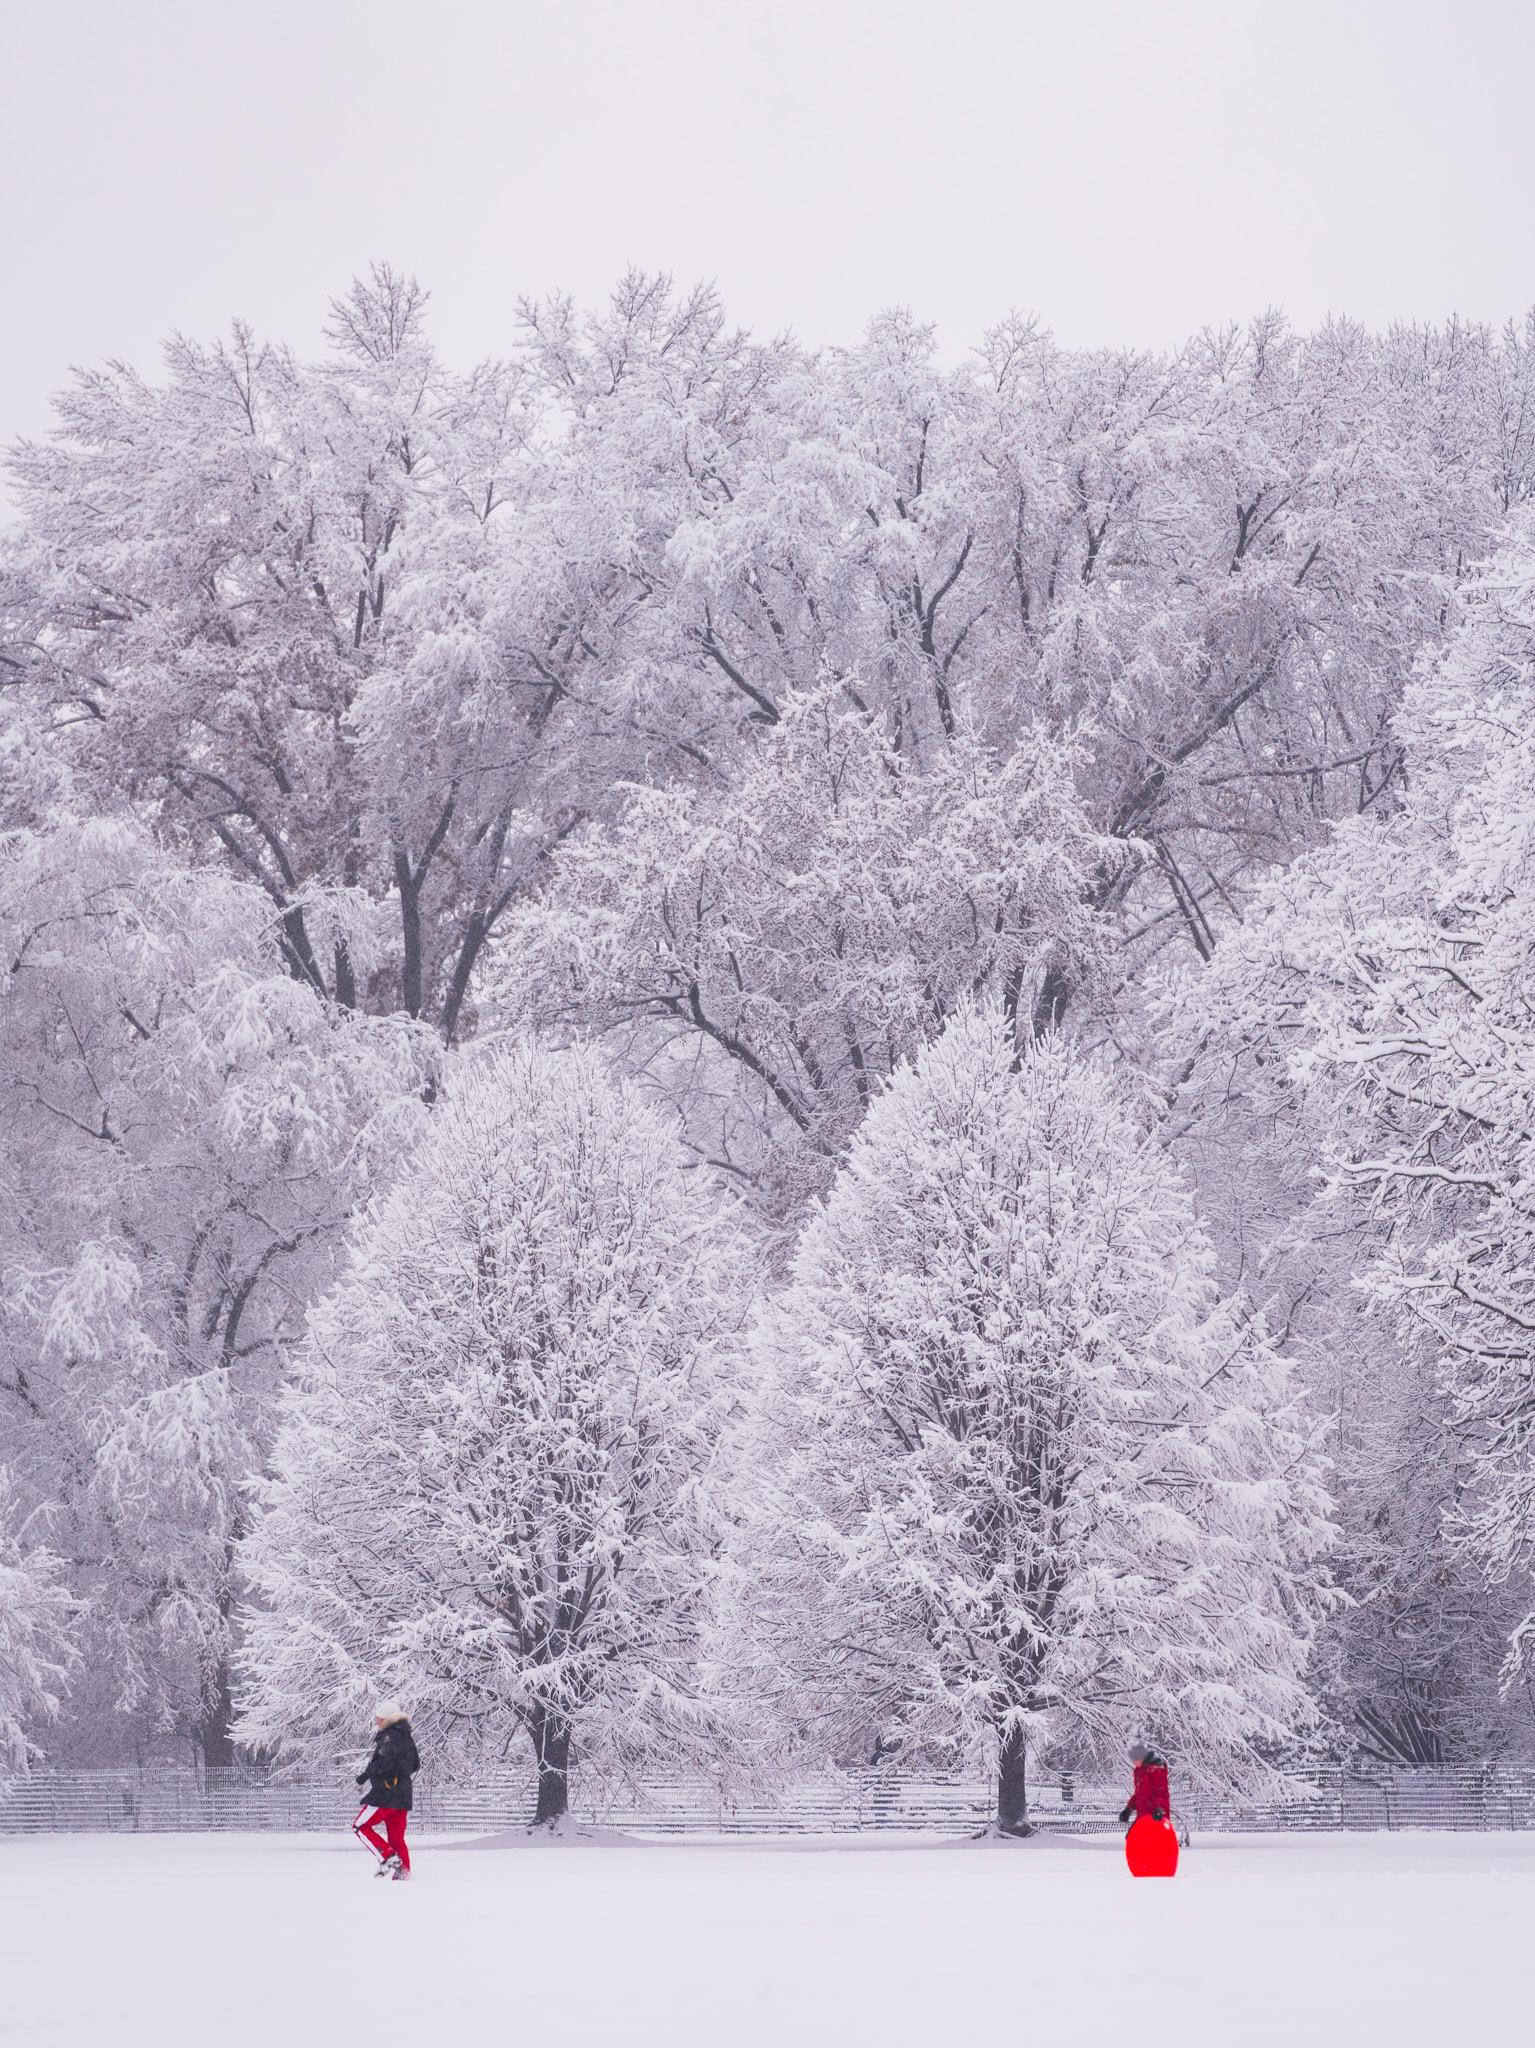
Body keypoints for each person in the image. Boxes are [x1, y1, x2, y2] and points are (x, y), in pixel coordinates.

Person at [352, 1701, 420, 1880]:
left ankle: (387, 1857)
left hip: (386, 1795)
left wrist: (370, 1772)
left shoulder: (389, 1737)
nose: (376, 1721)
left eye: (379, 1718)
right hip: (403, 1796)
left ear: (387, 1719)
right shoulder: (406, 1737)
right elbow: (415, 1764)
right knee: (396, 1839)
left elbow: (384, 1763)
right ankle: (403, 1875)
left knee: (360, 1826)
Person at [1118, 1741, 1171, 1826]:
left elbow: (1161, 1793)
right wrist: (1129, 1809)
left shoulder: (1156, 1770)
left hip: (1157, 1817)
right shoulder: (1139, 1771)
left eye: (1134, 1758)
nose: (1133, 1762)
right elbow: (1139, 1794)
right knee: (1133, 1834)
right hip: (1143, 1817)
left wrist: (1159, 1809)